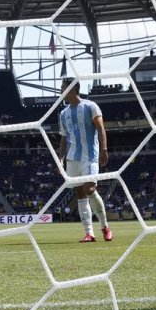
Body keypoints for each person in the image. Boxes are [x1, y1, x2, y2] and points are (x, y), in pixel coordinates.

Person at [58, 78, 112, 243]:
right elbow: (63, 139)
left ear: (73, 88)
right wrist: (61, 159)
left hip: (89, 155)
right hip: (72, 158)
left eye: (63, 87)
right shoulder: (63, 113)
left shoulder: (90, 106)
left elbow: (101, 129)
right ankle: (89, 233)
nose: (61, 91)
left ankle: (104, 226)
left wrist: (104, 149)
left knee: (89, 189)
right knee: (80, 193)